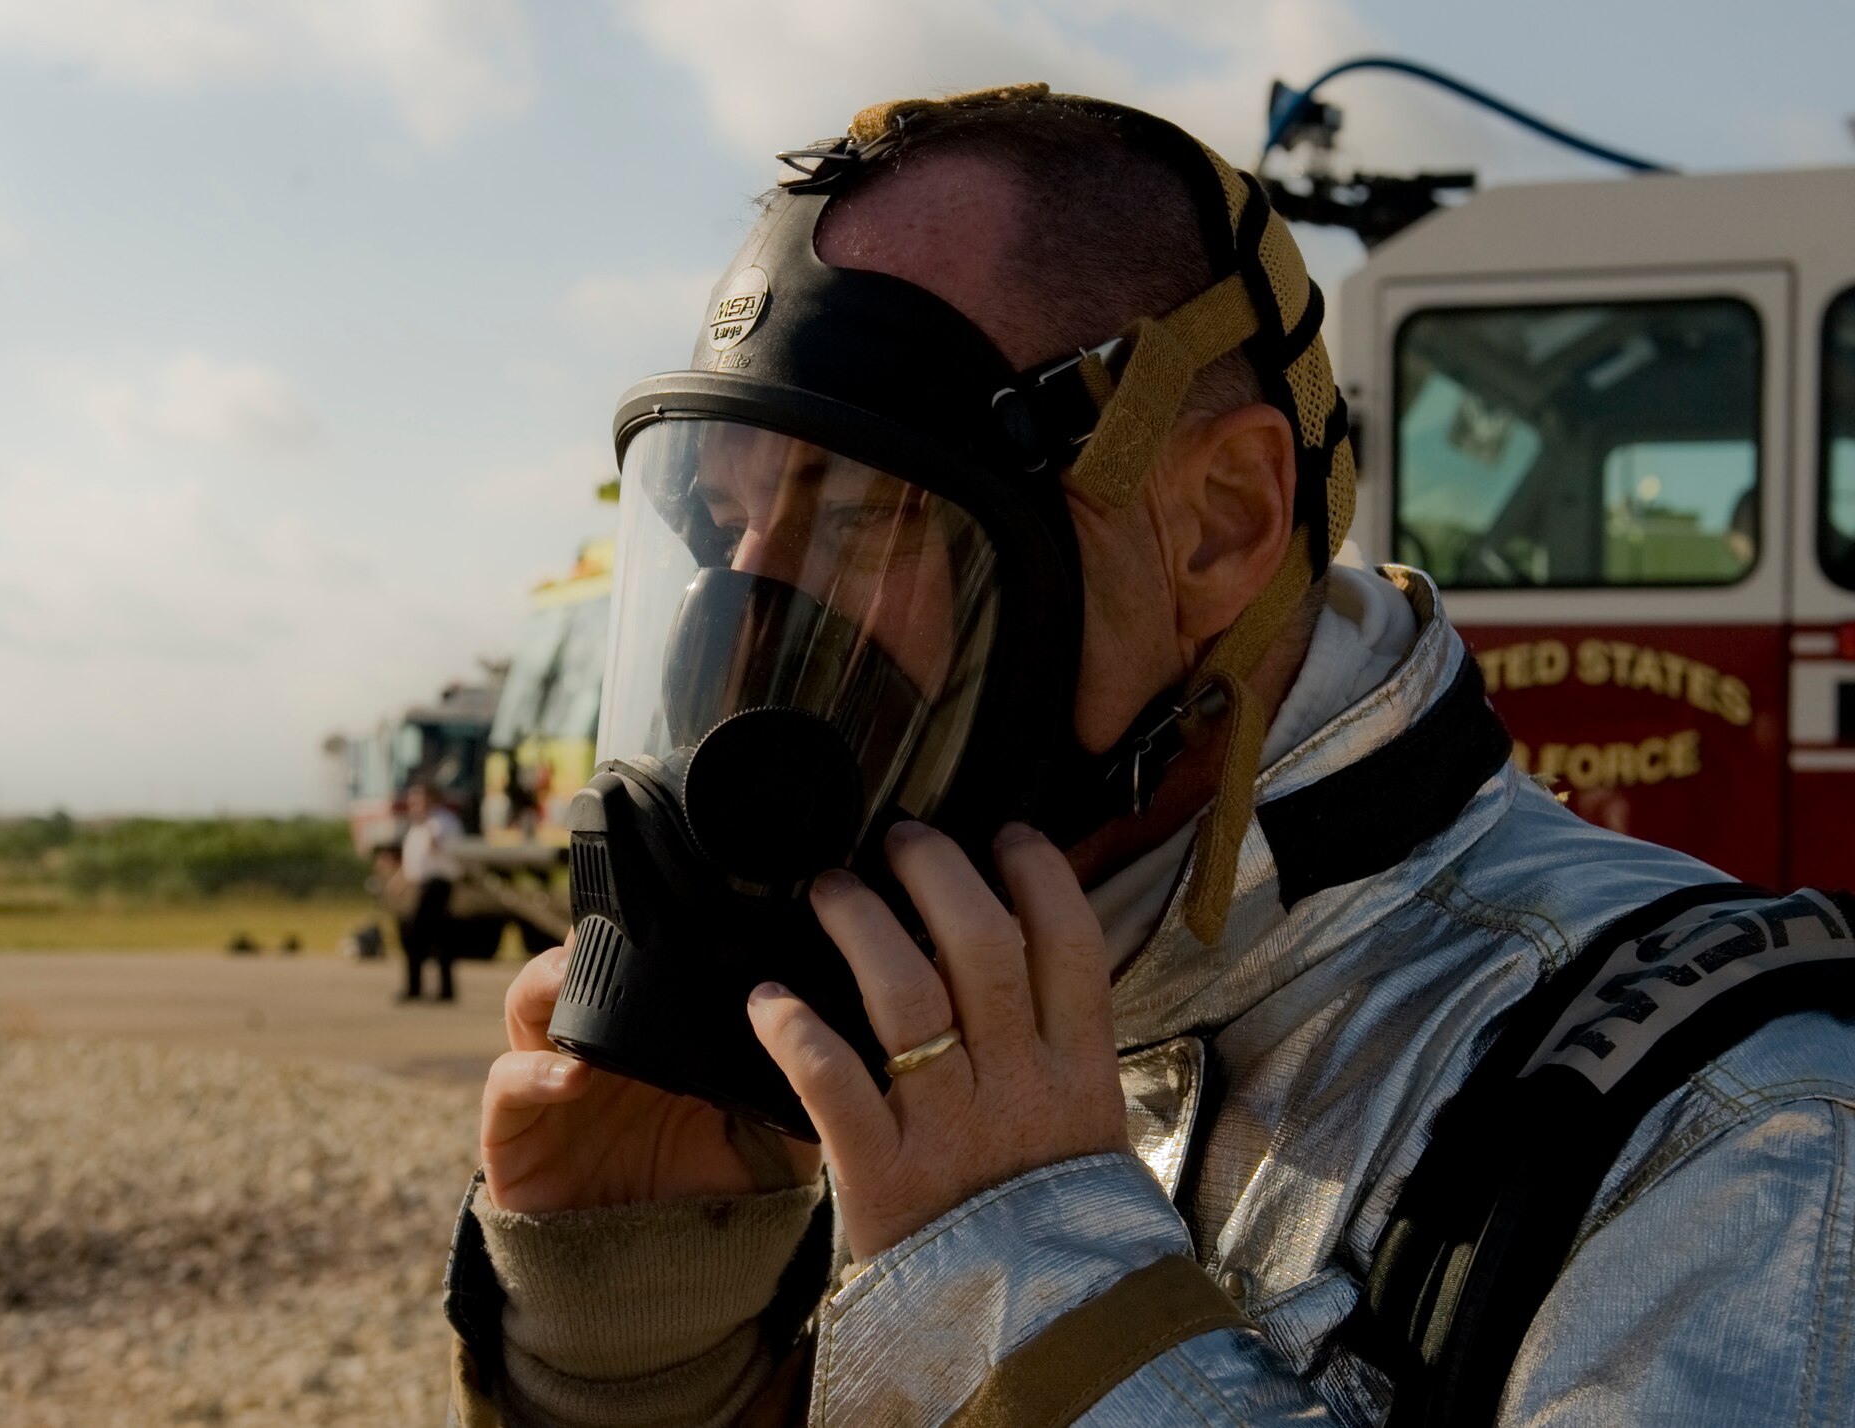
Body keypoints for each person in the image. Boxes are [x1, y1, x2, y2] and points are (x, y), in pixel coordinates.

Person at [445, 87, 1855, 1427]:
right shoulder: (868, 1060)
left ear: (1221, 521)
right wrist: (636, 1342)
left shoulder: (1744, 1143)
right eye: (725, 530)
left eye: (861, 514)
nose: (746, 634)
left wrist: (1018, 1286)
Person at [398, 781, 463, 1003]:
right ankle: (440, 989)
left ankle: (416, 988)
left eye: (419, 799)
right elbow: (413, 862)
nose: (414, 804)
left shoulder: (441, 821)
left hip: (437, 884)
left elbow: (439, 850)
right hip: (421, 884)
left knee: (416, 933)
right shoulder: (418, 826)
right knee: (438, 936)